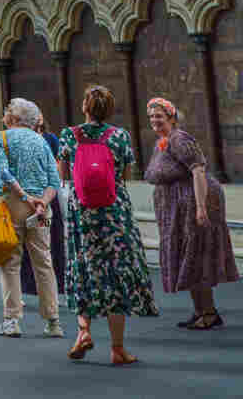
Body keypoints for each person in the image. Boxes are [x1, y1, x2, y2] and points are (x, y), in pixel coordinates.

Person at [58, 85, 158, 365]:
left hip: (83, 215)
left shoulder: (69, 135)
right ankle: (117, 349)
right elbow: (126, 175)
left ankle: (83, 332)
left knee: (83, 269)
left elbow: (63, 175)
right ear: (110, 109)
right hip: (115, 215)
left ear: (85, 108)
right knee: (116, 275)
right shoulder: (120, 136)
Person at [142, 97, 239, 330]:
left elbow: (198, 171)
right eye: (152, 116)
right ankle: (201, 311)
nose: (155, 120)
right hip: (177, 208)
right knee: (187, 256)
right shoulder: (163, 141)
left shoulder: (179, 139)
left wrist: (201, 206)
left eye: (159, 116)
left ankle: (208, 312)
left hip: (190, 204)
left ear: (172, 118)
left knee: (195, 255)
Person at [0, 98, 62, 339]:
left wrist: (25, 197)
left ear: (13, 118)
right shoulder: (42, 142)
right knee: (44, 262)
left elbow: (5, 173)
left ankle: (12, 320)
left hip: (14, 205)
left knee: (10, 263)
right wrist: (42, 202)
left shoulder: (2, 138)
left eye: (6, 113)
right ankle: (53, 321)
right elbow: (54, 181)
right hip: (42, 208)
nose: (4, 117)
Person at [20, 116, 67, 298]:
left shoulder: (50, 139)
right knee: (30, 240)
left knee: (50, 238)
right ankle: (31, 284)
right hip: (30, 196)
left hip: (48, 196)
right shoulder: (21, 139)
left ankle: (55, 283)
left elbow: (57, 165)